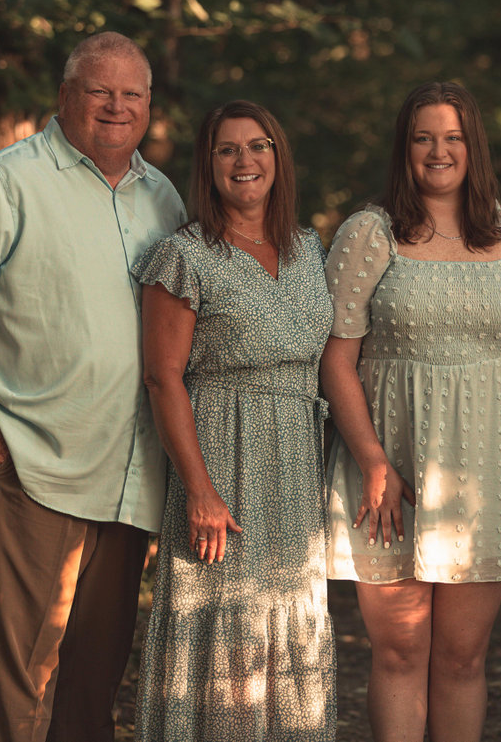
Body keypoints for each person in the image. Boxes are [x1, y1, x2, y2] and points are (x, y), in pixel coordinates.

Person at [0, 32, 186, 742]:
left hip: (130, 476)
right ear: (65, 97)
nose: (116, 107)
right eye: (100, 90)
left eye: (131, 94)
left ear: (150, 104)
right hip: (33, 467)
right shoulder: (5, 182)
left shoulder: (164, 197)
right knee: (23, 683)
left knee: (94, 682)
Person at [321, 81, 501, 742]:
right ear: (404, 148)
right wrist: (371, 460)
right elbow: (336, 360)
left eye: (452, 137)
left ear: (473, 146)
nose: (438, 150)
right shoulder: (370, 233)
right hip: (387, 463)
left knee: (462, 656)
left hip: (486, 467)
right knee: (398, 651)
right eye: (424, 137)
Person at [131, 100, 335, 741]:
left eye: (258, 147)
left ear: (278, 158)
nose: (244, 161)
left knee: (291, 628)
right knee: (227, 637)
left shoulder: (308, 249)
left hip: (296, 461)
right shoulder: (183, 256)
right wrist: (198, 489)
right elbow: (163, 376)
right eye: (227, 150)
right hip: (222, 453)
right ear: (208, 164)